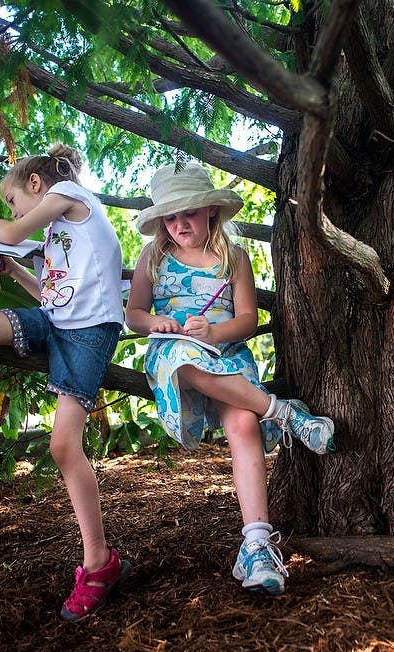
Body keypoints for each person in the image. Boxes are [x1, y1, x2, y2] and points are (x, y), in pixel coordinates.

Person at [125, 162, 335, 596]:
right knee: (186, 361)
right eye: (171, 216)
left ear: (211, 212)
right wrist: (158, 321)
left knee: (241, 424)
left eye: (190, 213)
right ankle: (284, 414)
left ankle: (256, 544)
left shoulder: (233, 258)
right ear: (161, 221)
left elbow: (246, 319)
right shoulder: (154, 258)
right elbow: (134, 316)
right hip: (175, 351)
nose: (180, 223)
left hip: (226, 350)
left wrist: (214, 332)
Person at [0, 143, 129, 621]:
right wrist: (13, 270)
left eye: (11, 199)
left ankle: (99, 563)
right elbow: (52, 294)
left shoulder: (68, 193)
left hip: (89, 331)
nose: (13, 210)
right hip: (58, 320)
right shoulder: (56, 232)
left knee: (63, 448)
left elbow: (8, 231)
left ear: (34, 184)